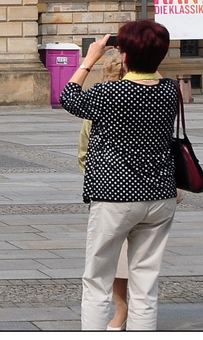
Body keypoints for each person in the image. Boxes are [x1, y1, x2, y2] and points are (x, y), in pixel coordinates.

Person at [60, 22, 181, 331]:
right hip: (159, 196)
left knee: (98, 280)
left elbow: (69, 97)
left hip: (115, 196)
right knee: (145, 284)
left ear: (125, 57)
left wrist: (90, 59)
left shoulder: (111, 92)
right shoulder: (171, 90)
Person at [76, 49, 130, 330]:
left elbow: (84, 152)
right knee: (144, 265)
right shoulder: (157, 94)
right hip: (155, 193)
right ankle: (130, 315)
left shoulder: (99, 102)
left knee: (105, 264)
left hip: (111, 194)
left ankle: (120, 312)